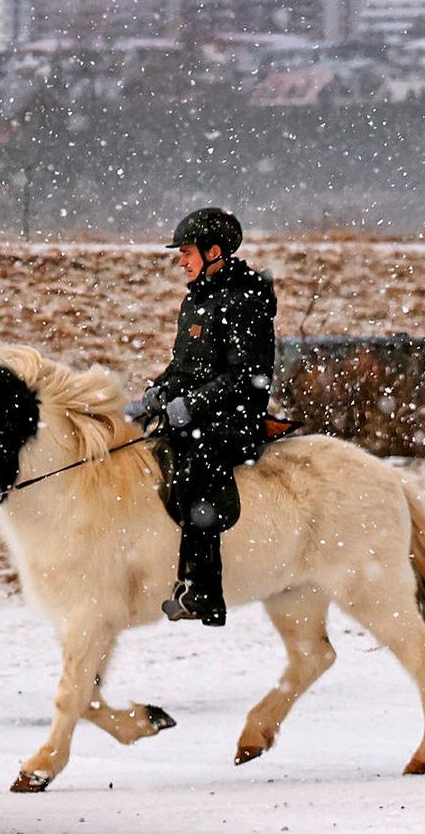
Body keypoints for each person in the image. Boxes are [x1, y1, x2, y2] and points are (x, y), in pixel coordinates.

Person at [126, 207, 276, 627]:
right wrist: (160, 391)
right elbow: (184, 368)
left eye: (187, 252)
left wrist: (192, 404)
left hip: (234, 420)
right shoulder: (197, 301)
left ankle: (205, 592)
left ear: (215, 252)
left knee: (194, 471)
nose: (181, 260)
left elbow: (244, 375)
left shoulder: (245, 302)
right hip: (198, 415)